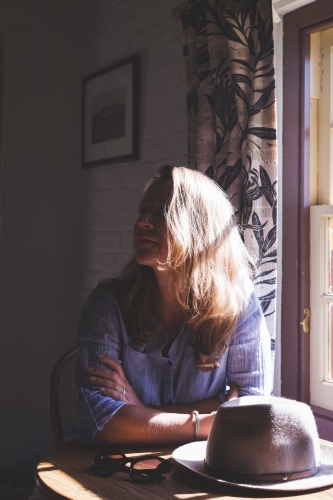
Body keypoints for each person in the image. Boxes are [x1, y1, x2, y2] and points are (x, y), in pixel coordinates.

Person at [73, 165, 271, 447]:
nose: (142, 221)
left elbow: (252, 413)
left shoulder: (238, 302)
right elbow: (94, 419)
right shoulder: (107, 304)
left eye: (163, 212)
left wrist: (139, 412)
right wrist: (207, 421)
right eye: (143, 210)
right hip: (120, 470)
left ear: (201, 228)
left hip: (202, 469)